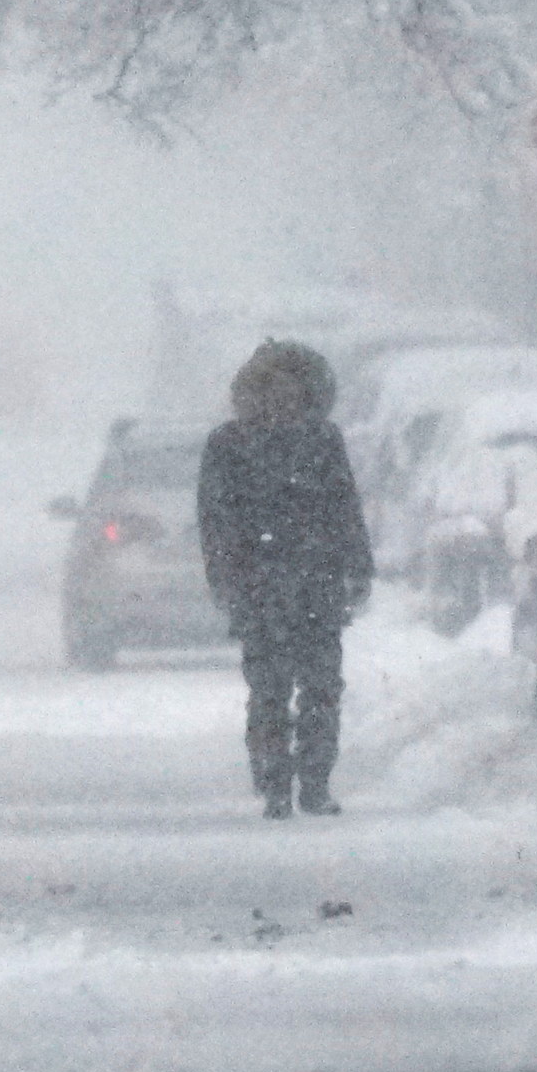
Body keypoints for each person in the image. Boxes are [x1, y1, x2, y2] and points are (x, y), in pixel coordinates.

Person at [194, 337, 368, 817]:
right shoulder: (300, 441)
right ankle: (296, 782)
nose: (281, 400)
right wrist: (354, 567)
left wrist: (226, 575)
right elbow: (217, 520)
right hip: (297, 583)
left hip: (284, 584)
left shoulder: (241, 443)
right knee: (302, 686)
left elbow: (344, 509)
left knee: (291, 686)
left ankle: (292, 782)